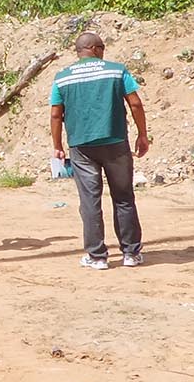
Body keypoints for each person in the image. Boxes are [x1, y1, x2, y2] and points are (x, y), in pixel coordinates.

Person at [49, 32, 150, 270]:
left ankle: (97, 256)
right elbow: (135, 103)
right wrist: (142, 134)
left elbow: (55, 114)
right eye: (102, 47)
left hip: (82, 147)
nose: (103, 51)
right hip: (115, 142)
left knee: (89, 200)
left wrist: (57, 146)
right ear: (94, 48)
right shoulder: (116, 71)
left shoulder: (62, 78)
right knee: (124, 197)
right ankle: (131, 253)